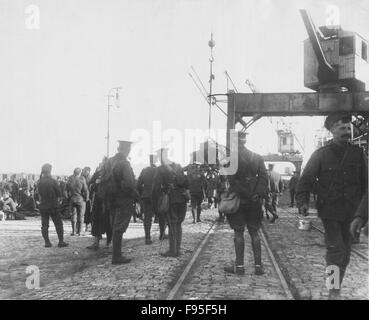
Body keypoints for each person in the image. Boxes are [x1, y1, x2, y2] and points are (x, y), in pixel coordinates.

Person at [296, 112, 367, 300]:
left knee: (345, 255)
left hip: (351, 212)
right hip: (330, 212)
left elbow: (366, 184)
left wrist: (362, 213)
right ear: (332, 131)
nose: (346, 132)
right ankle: (333, 291)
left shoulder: (357, 154)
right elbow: (305, 181)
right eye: (341, 128)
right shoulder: (321, 155)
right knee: (335, 251)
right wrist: (302, 202)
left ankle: (336, 286)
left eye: (347, 128)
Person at [223, 131, 268, 275]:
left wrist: (247, 194)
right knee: (255, 232)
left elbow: (232, 182)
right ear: (245, 141)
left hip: (239, 201)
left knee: (238, 233)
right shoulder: (257, 157)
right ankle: (258, 266)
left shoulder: (231, 159)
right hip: (254, 202)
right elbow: (263, 179)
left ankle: (240, 267)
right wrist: (256, 194)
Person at [152, 147, 189, 257]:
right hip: (182, 199)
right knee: (178, 224)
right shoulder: (178, 166)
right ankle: (178, 249)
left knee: (172, 223)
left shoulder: (160, 169)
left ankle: (173, 251)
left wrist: (156, 202)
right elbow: (185, 182)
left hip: (171, 199)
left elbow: (155, 188)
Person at [108, 140, 137, 264]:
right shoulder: (124, 163)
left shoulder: (110, 161)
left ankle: (116, 254)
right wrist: (134, 195)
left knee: (115, 226)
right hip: (123, 199)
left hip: (111, 198)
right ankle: (117, 256)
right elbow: (130, 183)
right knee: (119, 228)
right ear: (127, 150)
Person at [36, 163, 68, 248]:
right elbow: (59, 193)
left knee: (44, 225)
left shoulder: (39, 181)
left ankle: (47, 242)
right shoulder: (53, 181)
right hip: (53, 206)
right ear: (50, 171)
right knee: (58, 224)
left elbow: (36, 195)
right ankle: (61, 242)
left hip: (43, 206)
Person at [86, 160, 112, 250]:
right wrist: (95, 184)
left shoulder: (111, 174)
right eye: (101, 165)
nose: (101, 166)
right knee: (95, 221)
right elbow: (90, 185)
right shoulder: (97, 174)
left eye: (104, 165)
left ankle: (109, 242)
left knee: (109, 222)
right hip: (97, 200)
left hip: (108, 201)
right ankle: (96, 242)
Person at [137, 154, 160, 244]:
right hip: (157, 196)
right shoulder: (159, 170)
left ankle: (147, 238)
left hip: (146, 196)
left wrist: (143, 193)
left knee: (147, 218)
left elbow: (138, 185)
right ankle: (162, 234)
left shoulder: (144, 170)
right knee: (162, 214)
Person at [67, 168, 89, 236]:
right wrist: (86, 198)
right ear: (80, 173)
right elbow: (86, 190)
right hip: (80, 199)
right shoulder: (82, 179)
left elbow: (65, 190)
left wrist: (68, 198)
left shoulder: (70, 179)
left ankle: (73, 231)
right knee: (81, 216)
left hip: (72, 199)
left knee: (73, 215)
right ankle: (79, 232)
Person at [81, 167, 92, 232]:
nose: (84, 172)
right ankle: (79, 227)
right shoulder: (81, 177)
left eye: (85, 171)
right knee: (82, 213)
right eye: (83, 170)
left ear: (88, 171)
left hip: (89, 198)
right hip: (82, 197)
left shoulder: (90, 178)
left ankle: (87, 227)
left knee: (88, 212)